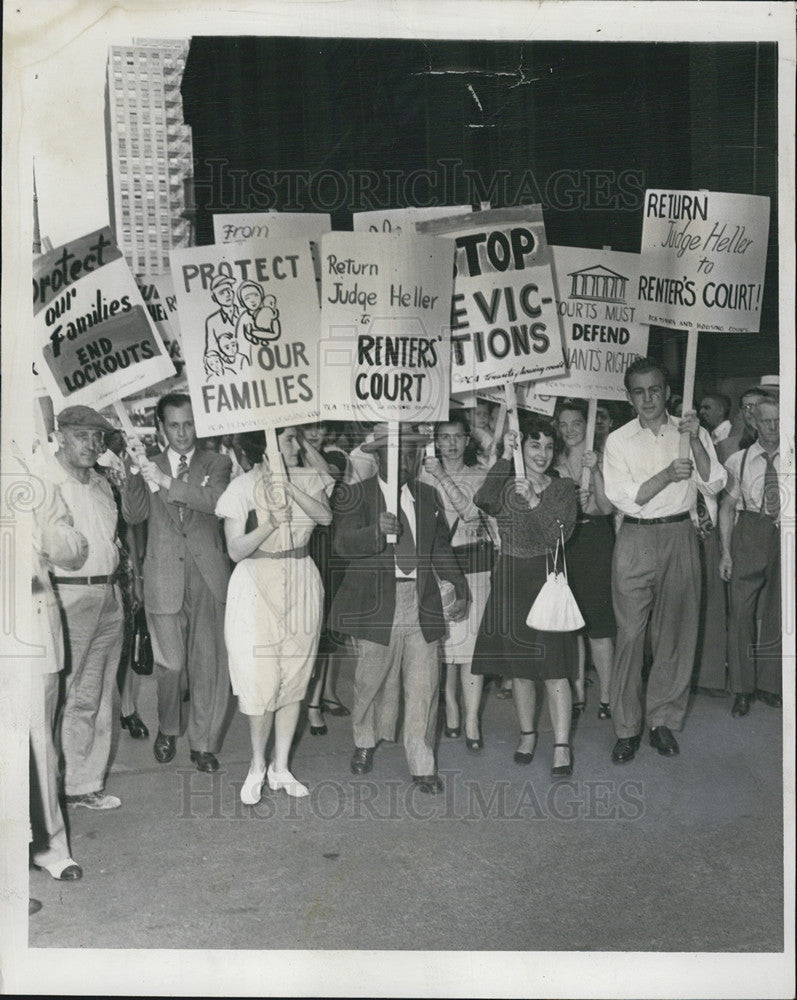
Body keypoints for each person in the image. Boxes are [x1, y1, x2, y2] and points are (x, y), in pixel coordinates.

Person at [330, 424, 469, 794]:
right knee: (369, 681)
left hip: (421, 600)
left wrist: (459, 586)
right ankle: (363, 742)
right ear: (378, 457)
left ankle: (423, 763)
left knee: (425, 685)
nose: (406, 461)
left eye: (412, 453)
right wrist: (375, 531)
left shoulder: (427, 496)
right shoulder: (355, 495)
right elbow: (342, 544)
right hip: (379, 603)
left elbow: (440, 548)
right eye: (398, 453)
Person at [603, 358, 726, 763]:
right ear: (629, 397)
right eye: (639, 392)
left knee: (675, 634)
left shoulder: (690, 430)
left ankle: (662, 723)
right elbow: (623, 496)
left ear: (667, 391)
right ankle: (626, 728)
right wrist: (667, 476)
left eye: (655, 390)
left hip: (679, 534)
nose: (648, 398)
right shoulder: (619, 440)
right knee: (631, 636)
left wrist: (692, 441)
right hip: (636, 537)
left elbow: (714, 482)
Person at [216, 428, 334, 802]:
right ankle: (256, 765)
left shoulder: (310, 478)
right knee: (259, 678)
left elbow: (326, 518)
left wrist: (290, 488)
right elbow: (235, 550)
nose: (296, 446)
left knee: (294, 677)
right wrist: (269, 523)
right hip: (255, 585)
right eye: (287, 441)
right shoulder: (240, 489)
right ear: (265, 448)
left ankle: (281, 766)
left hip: (301, 580)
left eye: (296, 439)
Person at [121, 392, 232, 773]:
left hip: (208, 577)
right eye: (174, 425)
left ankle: (203, 744)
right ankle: (169, 726)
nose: (183, 433)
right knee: (171, 665)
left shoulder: (217, 462)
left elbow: (215, 501)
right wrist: (134, 470)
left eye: (188, 424)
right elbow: (134, 514)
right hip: (163, 577)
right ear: (160, 428)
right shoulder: (146, 465)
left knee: (209, 665)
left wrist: (165, 480)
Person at [472, 415, 578, 777]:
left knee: (555, 667)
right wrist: (504, 455)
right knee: (520, 669)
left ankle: (562, 743)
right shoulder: (507, 484)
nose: (543, 454)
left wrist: (534, 499)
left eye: (549, 447)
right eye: (535, 445)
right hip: (512, 577)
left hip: (547, 578)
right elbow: (482, 499)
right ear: (523, 447)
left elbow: (558, 537)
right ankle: (528, 734)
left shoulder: (563, 488)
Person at [44, 406, 125, 810]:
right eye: (82, 436)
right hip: (66, 596)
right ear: (61, 436)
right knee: (59, 694)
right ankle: (48, 787)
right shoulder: (46, 482)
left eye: (98, 437)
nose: (92, 445)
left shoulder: (101, 484)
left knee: (96, 694)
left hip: (108, 597)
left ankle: (83, 783)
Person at [421, 415, 497, 752]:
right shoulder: (421, 476)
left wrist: (440, 476)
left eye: (458, 437)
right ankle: (450, 707)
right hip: (439, 568)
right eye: (444, 437)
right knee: (444, 647)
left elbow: (471, 514)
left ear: (468, 441)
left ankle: (471, 719)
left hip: (474, 566)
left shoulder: (480, 476)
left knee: (471, 648)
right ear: (435, 441)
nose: (450, 443)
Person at [30, 469, 88, 878]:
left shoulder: (36, 481)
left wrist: (41, 531)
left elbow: (71, 551)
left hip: (28, 628)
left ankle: (49, 847)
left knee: (36, 745)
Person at [719, 394, 782, 717]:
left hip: (784, 534)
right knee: (740, 614)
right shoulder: (738, 460)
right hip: (749, 533)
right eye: (767, 421)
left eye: (778, 420)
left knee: (779, 613)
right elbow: (727, 507)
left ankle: (772, 685)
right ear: (754, 423)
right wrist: (727, 553)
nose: (773, 427)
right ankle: (742, 689)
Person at [555, 400, 616, 720]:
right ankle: (577, 693)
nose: (569, 431)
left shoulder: (601, 458)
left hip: (595, 541)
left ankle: (606, 696)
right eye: (563, 425)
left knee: (599, 625)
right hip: (565, 544)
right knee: (571, 625)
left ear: (586, 424)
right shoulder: (554, 459)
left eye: (576, 423)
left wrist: (596, 471)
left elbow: (606, 508)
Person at [301, 422, 351, 734]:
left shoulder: (336, 456)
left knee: (324, 633)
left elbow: (328, 477)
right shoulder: (284, 457)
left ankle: (315, 703)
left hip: (326, 551)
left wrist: (303, 443)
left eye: (320, 427)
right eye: (308, 427)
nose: (316, 432)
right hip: (296, 547)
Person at [715, 387, 768, 464]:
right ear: (741, 412)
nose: (753, 411)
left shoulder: (782, 442)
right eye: (747, 407)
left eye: (758, 406)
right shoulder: (725, 446)